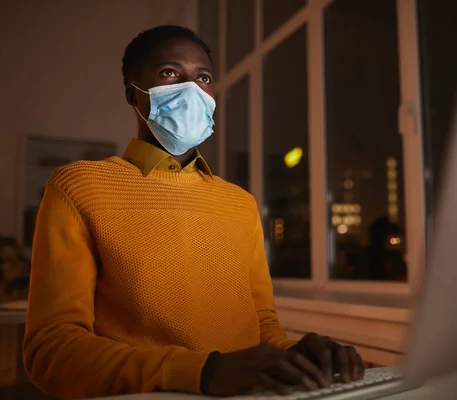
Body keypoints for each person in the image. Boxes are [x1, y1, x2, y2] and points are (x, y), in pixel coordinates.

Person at [22, 25, 364, 399]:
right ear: (133, 94)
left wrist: (296, 357)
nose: (192, 89)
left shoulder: (240, 203)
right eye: (170, 73)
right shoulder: (79, 186)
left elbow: (262, 328)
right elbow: (51, 351)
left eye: (204, 77)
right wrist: (201, 371)